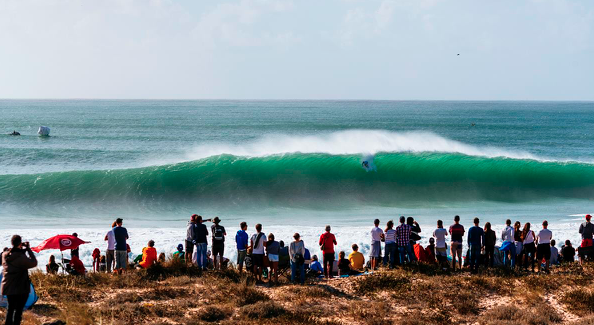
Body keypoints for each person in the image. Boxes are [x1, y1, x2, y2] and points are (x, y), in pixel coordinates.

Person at [2, 235, 37, 325]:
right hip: (20, 287)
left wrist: (9, 250)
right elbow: (34, 262)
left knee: (10, 309)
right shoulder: (21, 257)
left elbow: (12, 254)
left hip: (8, 286)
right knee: (18, 311)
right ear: (20, 243)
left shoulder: (5, 255)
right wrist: (28, 249)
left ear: (12, 243)